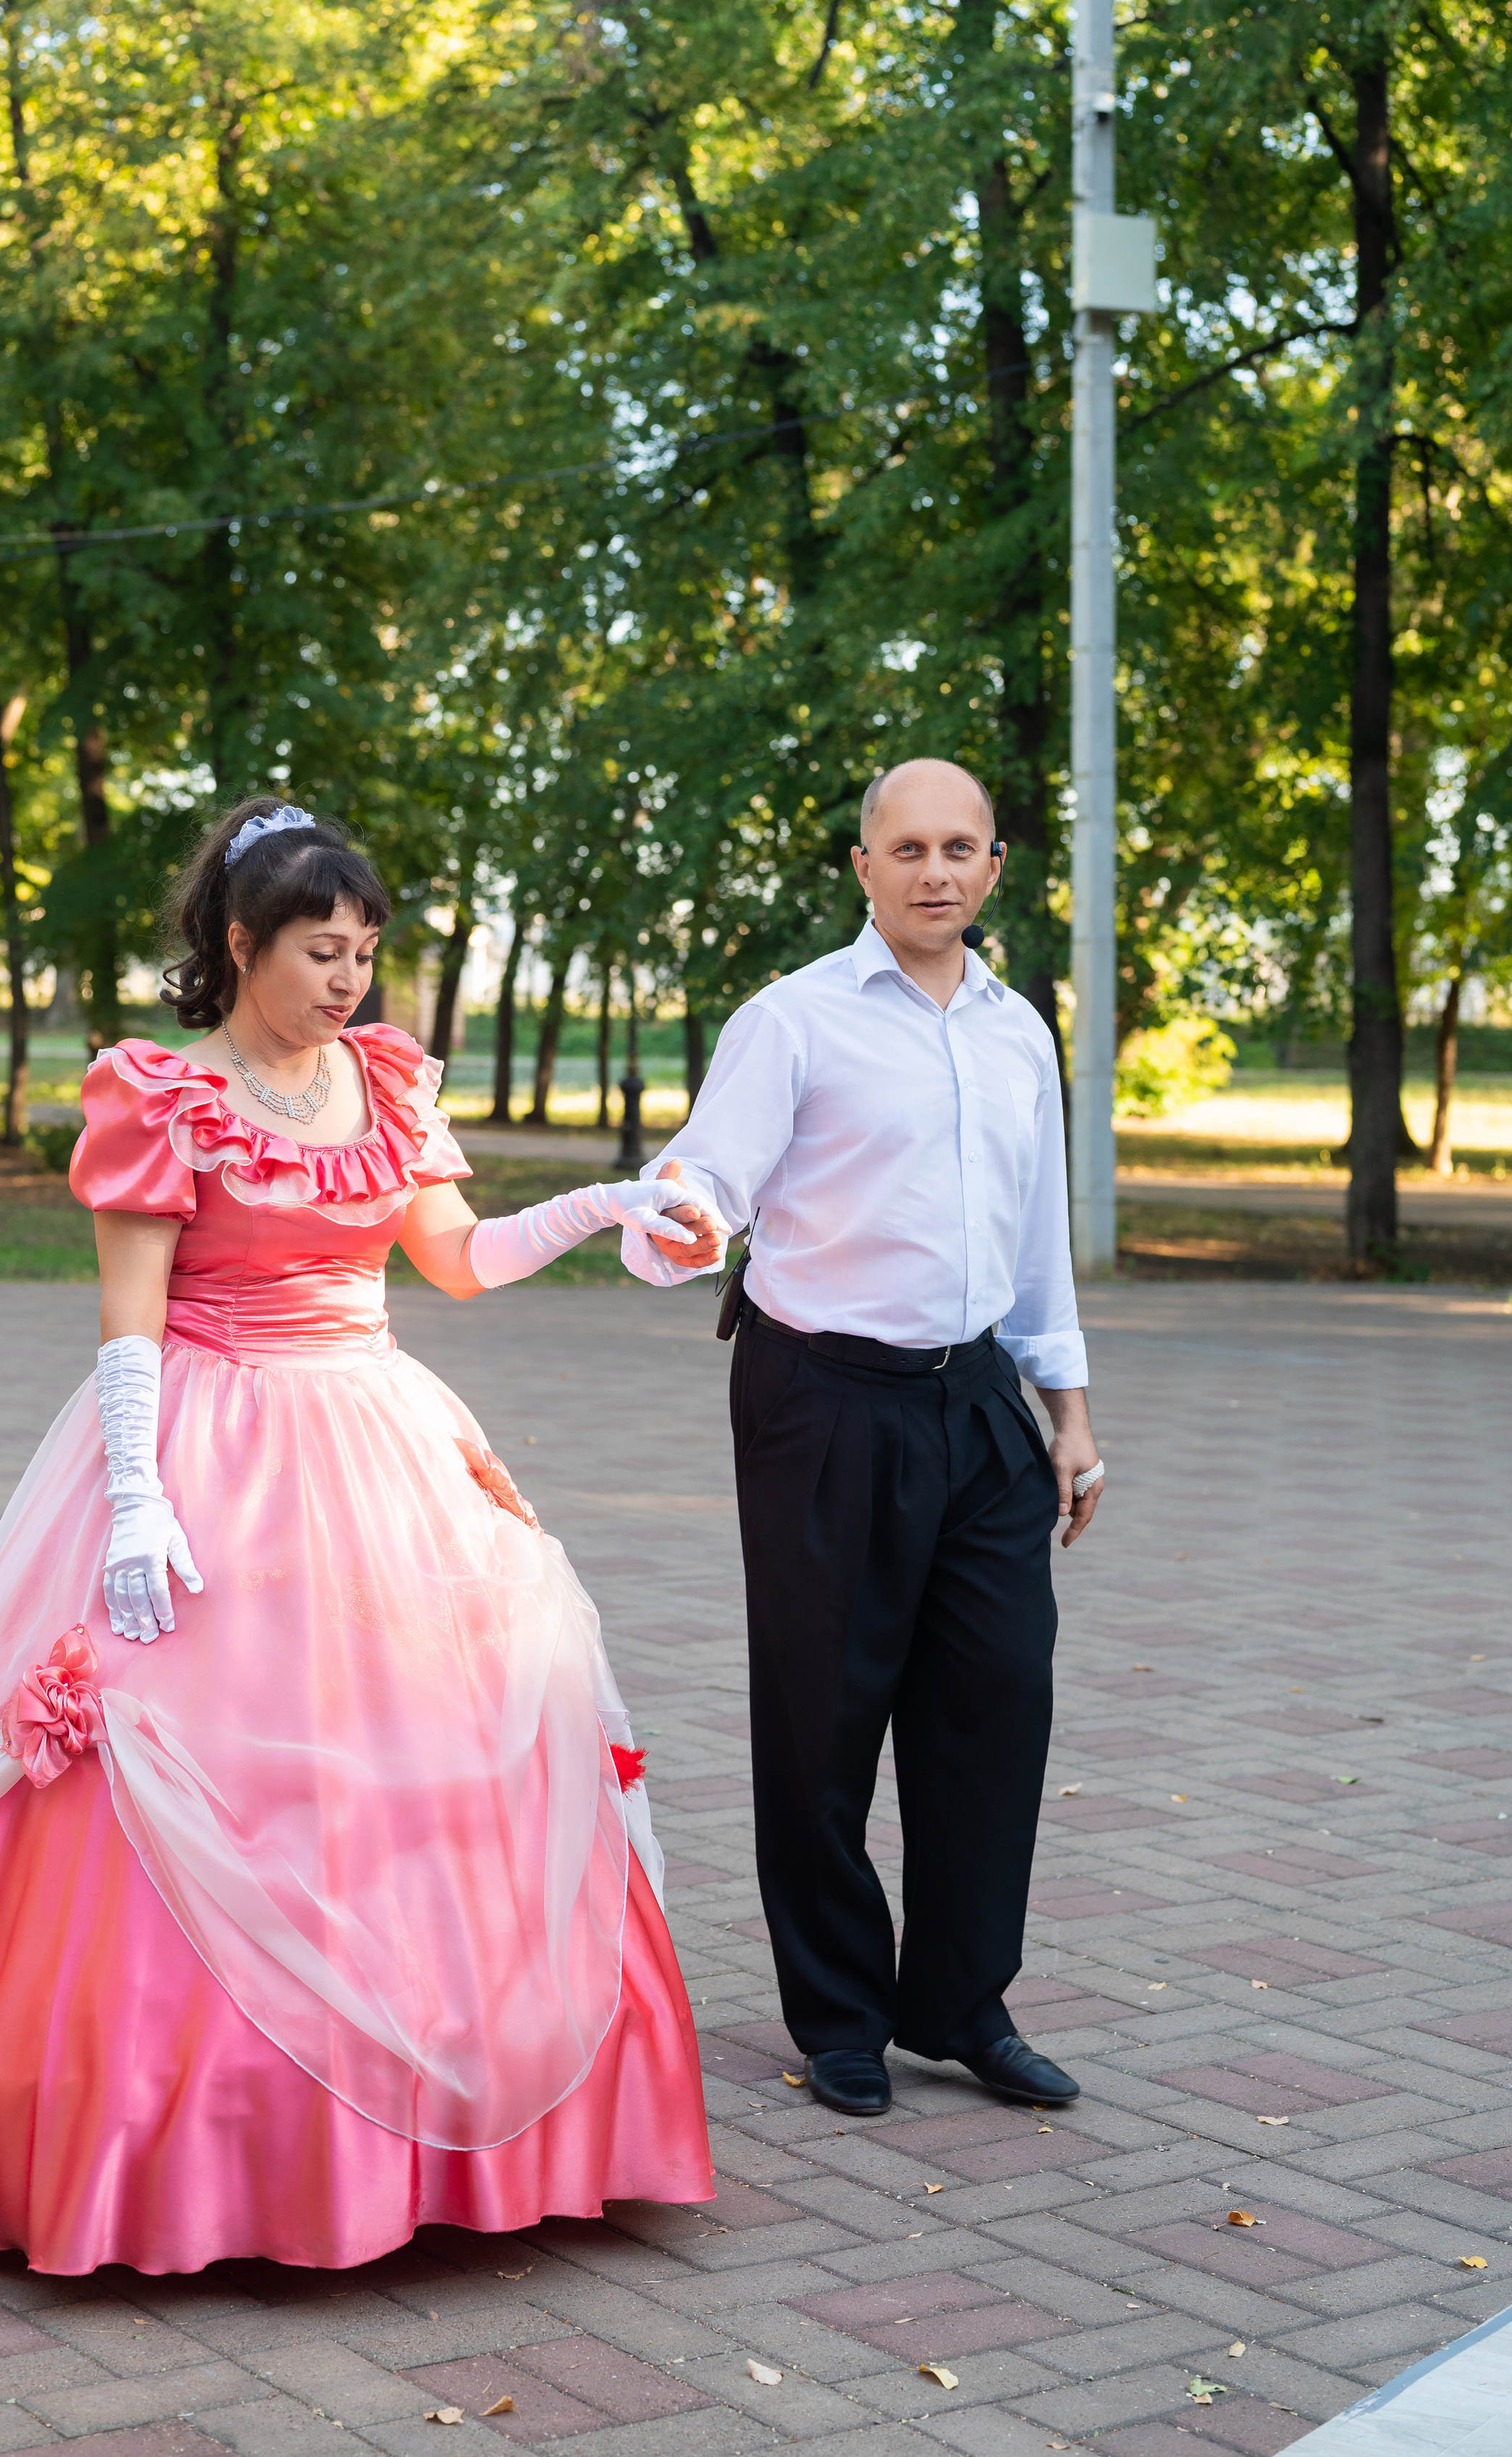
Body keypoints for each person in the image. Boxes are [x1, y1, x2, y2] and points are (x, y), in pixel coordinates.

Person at [0, 797, 726, 2275]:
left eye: (361, 955)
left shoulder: (388, 1083)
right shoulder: (161, 1092)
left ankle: (435, 2130)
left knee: (413, 1756)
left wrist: (601, 1207)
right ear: (239, 943)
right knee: (168, 1759)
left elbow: (455, 1265)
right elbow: (130, 1315)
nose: (347, 982)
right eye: (318, 951)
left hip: (375, 1440)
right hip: (204, 1445)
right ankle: (175, 2137)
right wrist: (139, 1496)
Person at [626, 758, 1105, 2119]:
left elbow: (1035, 1244)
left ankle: (961, 2004)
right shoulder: (792, 1021)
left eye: (961, 848)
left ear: (995, 867)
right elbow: (709, 1173)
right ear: (862, 864)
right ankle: (841, 2011)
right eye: (908, 848)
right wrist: (683, 1214)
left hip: (979, 1410)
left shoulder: (1020, 1033)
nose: (935, 871)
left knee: (997, 1703)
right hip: (821, 1399)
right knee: (825, 1711)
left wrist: (1066, 1416)